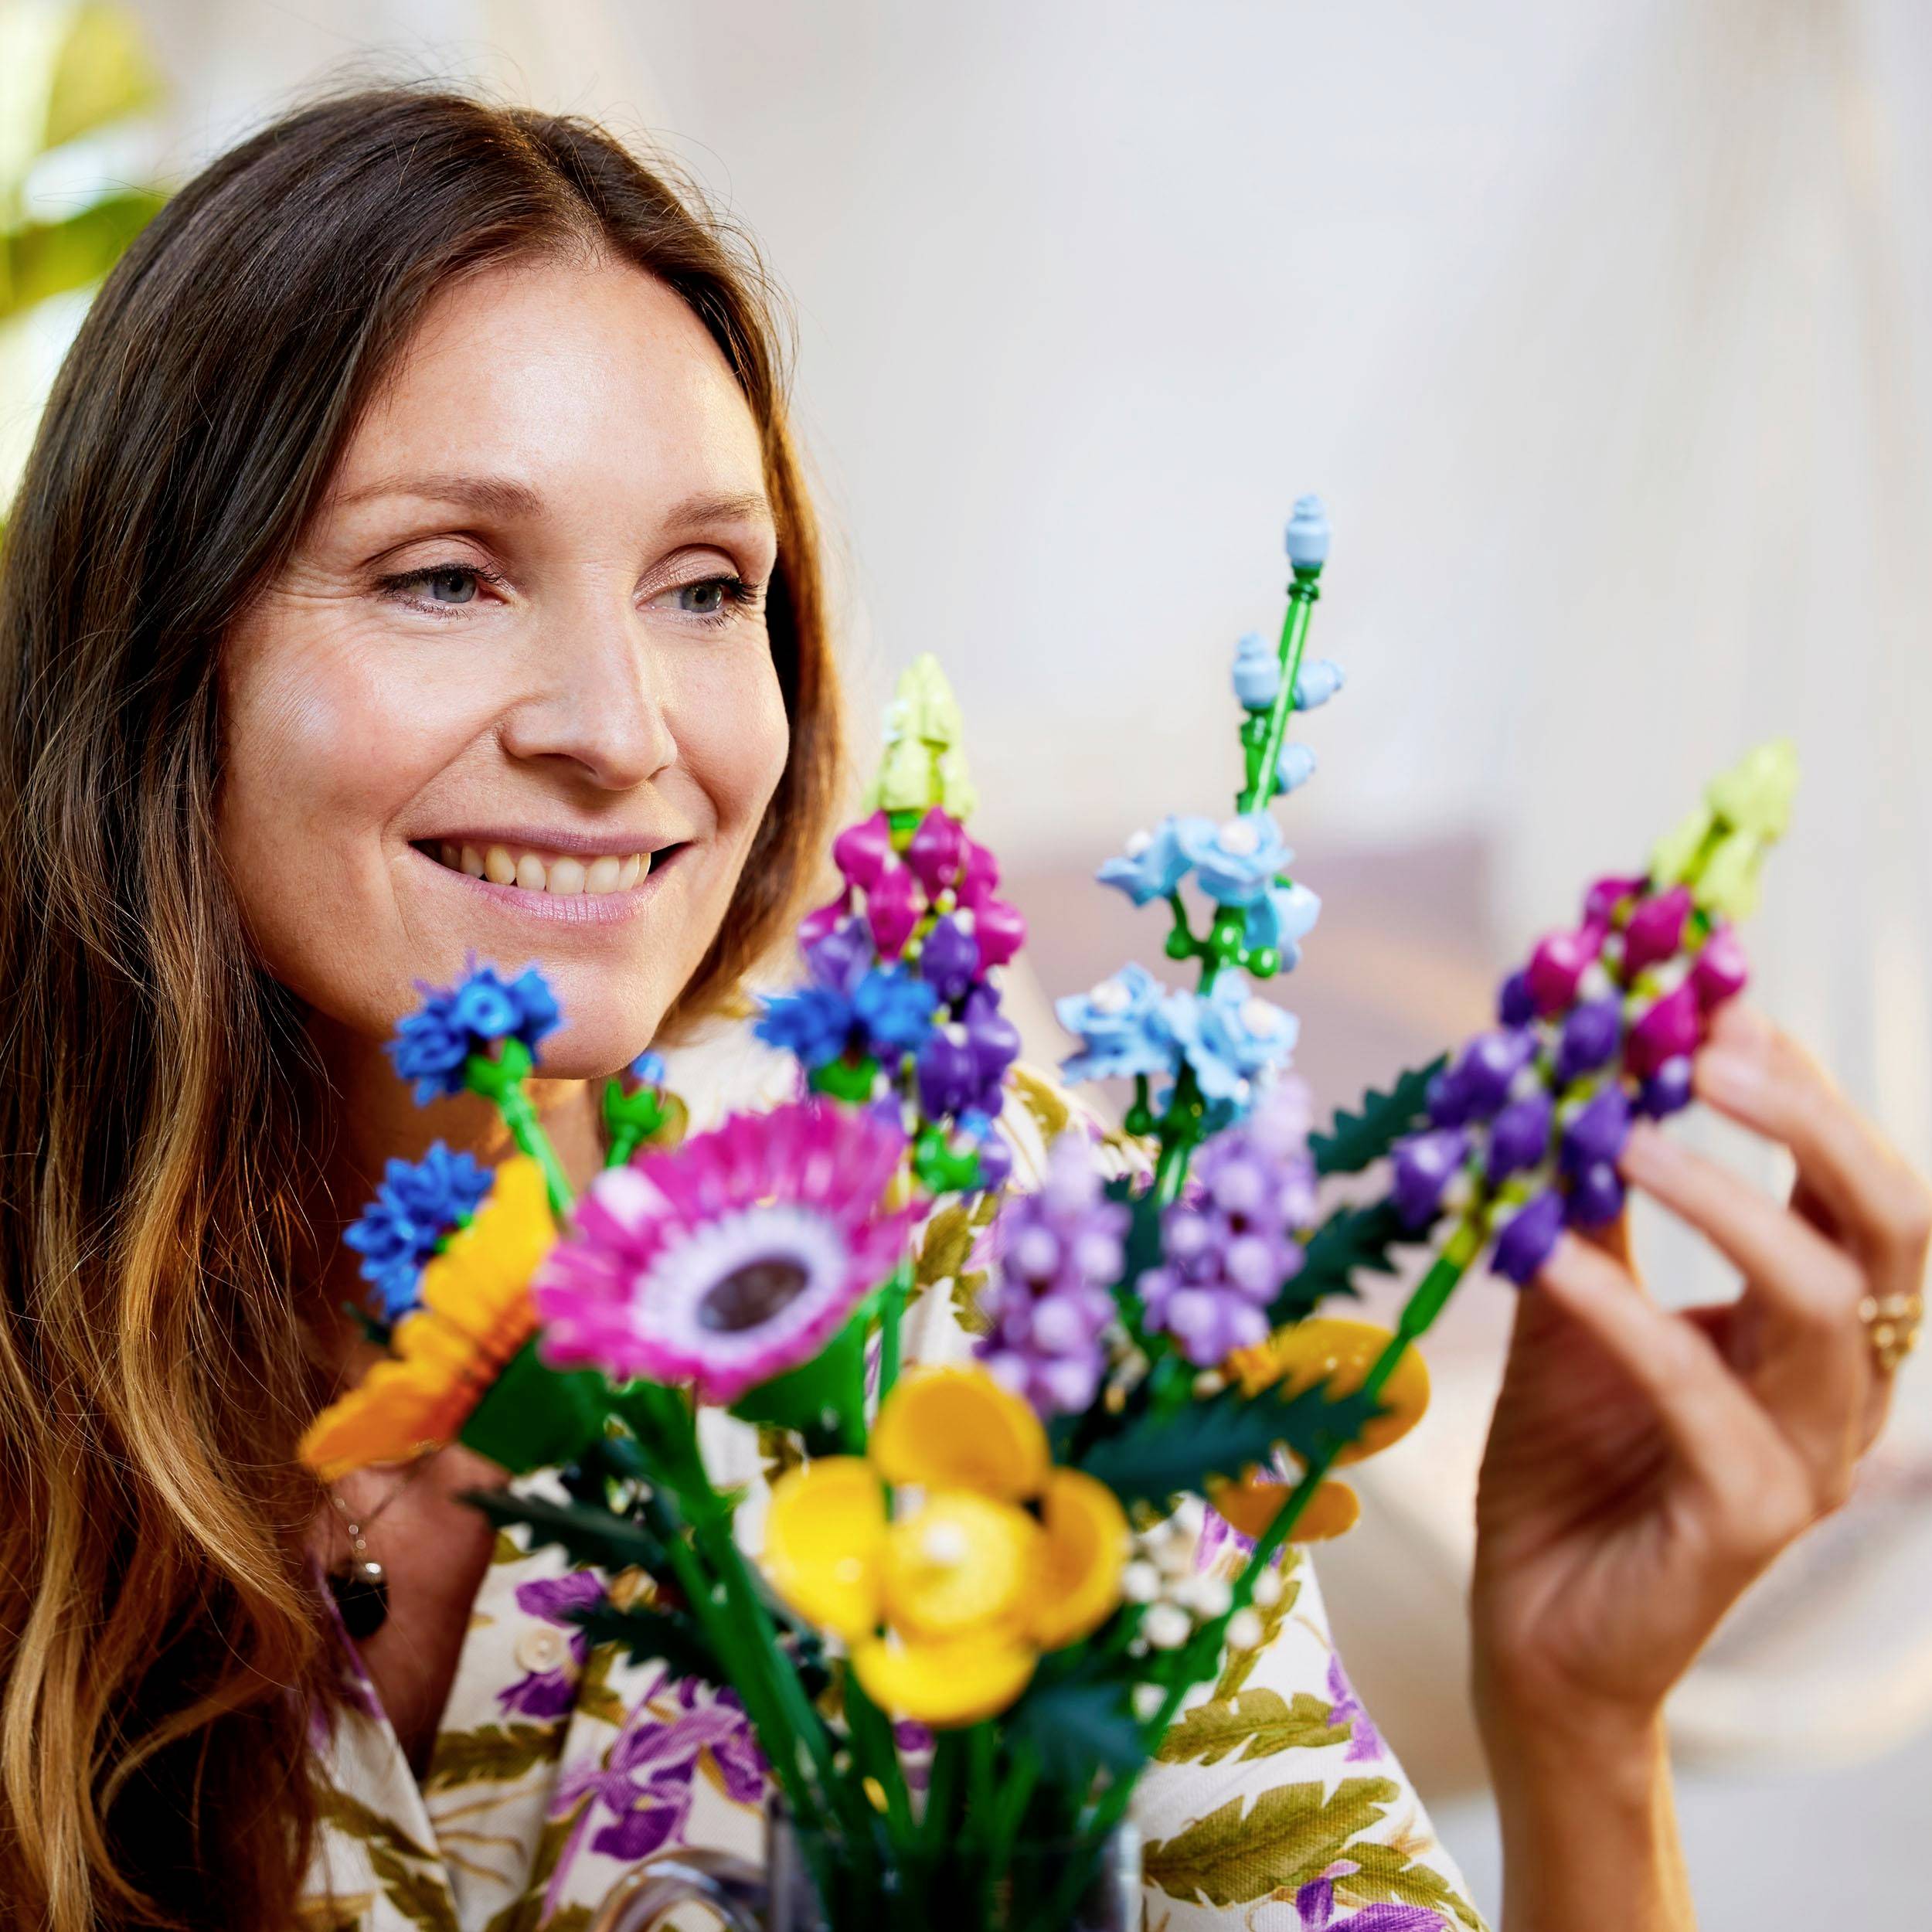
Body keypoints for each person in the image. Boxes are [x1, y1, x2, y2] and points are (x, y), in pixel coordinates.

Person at [0, 87, 1921, 1932]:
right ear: (155, 645)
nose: (619, 733)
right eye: (444, 574)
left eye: (701, 587)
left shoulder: (984, 1244)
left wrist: (1580, 1722)